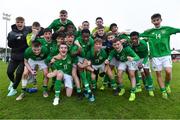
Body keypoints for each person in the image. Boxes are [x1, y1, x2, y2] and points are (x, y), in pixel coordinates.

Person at [141, 13, 180, 99]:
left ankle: (167, 85)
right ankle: (163, 91)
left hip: (166, 55)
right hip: (155, 56)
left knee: (168, 72)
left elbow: (178, 30)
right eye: (154, 20)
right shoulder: (149, 32)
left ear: (161, 20)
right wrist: (125, 35)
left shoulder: (167, 29)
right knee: (158, 74)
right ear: (152, 22)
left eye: (157, 20)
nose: (156, 22)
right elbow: (137, 36)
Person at [7, 16, 31, 96]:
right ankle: (13, 82)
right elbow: (10, 45)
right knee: (9, 72)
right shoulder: (11, 33)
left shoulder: (28, 29)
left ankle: (13, 89)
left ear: (24, 23)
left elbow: (39, 28)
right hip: (14, 56)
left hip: (24, 57)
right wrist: (14, 39)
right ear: (16, 23)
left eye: (21, 22)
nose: (20, 24)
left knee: (19, 73)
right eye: (18, 22)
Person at [130, 31, 154, 96]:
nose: (134, 40)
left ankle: (150, 88)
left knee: (146, 71)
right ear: (130, 39)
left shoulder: (144, 44)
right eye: (132, 39)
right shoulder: (130, 44)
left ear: (138, 38)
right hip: (136, 59)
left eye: (136, 38)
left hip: (144, 58)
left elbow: (146, 55)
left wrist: (143, 64)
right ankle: (138, 86)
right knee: (134, 71)